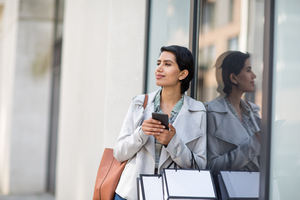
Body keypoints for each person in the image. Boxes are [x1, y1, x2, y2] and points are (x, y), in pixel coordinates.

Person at [113, 45, 207, 200]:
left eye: (167, 64)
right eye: (158, 63)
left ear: (183, 74)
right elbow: (119, 153)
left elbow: (200, 166)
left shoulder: (198, 111)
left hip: (173, 193)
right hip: (131, 194)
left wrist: (173, 142)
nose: (159, 69)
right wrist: (141, 133)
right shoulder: (139, 103)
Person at [206, 51, 261, 176]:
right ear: (233, 78)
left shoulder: (253, 112)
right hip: (231, 191)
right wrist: (254, 144)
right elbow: (212, 166)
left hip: (257, 190)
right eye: (248, 70)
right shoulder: (212, 113)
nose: (254, 76)